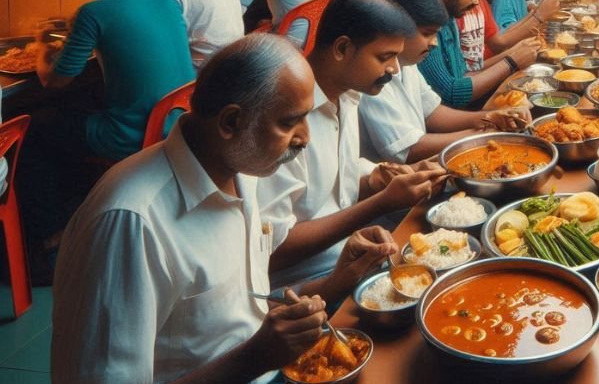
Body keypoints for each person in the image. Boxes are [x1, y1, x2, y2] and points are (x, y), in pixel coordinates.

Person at [51, 34, 397, 383]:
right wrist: (253, 358)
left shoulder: (244, 171)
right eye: (289, 122)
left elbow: (245, 315)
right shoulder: (132, 223)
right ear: (231, 122)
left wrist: (338, 281)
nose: (305, 138)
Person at [21, 0, 194, 268]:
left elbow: (54, 79)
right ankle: (89, 204)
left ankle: (53, 233)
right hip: (177, 120)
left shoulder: (93, 12)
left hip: (132, 135)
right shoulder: (164, 0)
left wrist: (42, 46)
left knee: (35, 133)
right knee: (76, 111)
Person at [259, 0, 447, 288]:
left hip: (354, 252)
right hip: (309, 282)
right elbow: (273, 250)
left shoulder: (348, 95)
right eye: (385, 57)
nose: (394, 70)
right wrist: (379, 203)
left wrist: (375, 178)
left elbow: (335, 181)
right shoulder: (284, 123)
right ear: (342, 48)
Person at [360, 0, 531, 163]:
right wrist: (479, 136)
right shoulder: (371, 77)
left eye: (435, 34)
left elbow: (433, 113)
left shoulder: (407, 63)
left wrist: (489, 118)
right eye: (426, 34)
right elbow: (409, 150)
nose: (433, 43)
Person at [419, 0, 536, 108]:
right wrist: (511, 62)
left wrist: (512, 55)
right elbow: (451, 93)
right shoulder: (425, 28)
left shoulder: (450, 17)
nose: (476, 1)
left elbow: (464, 74)